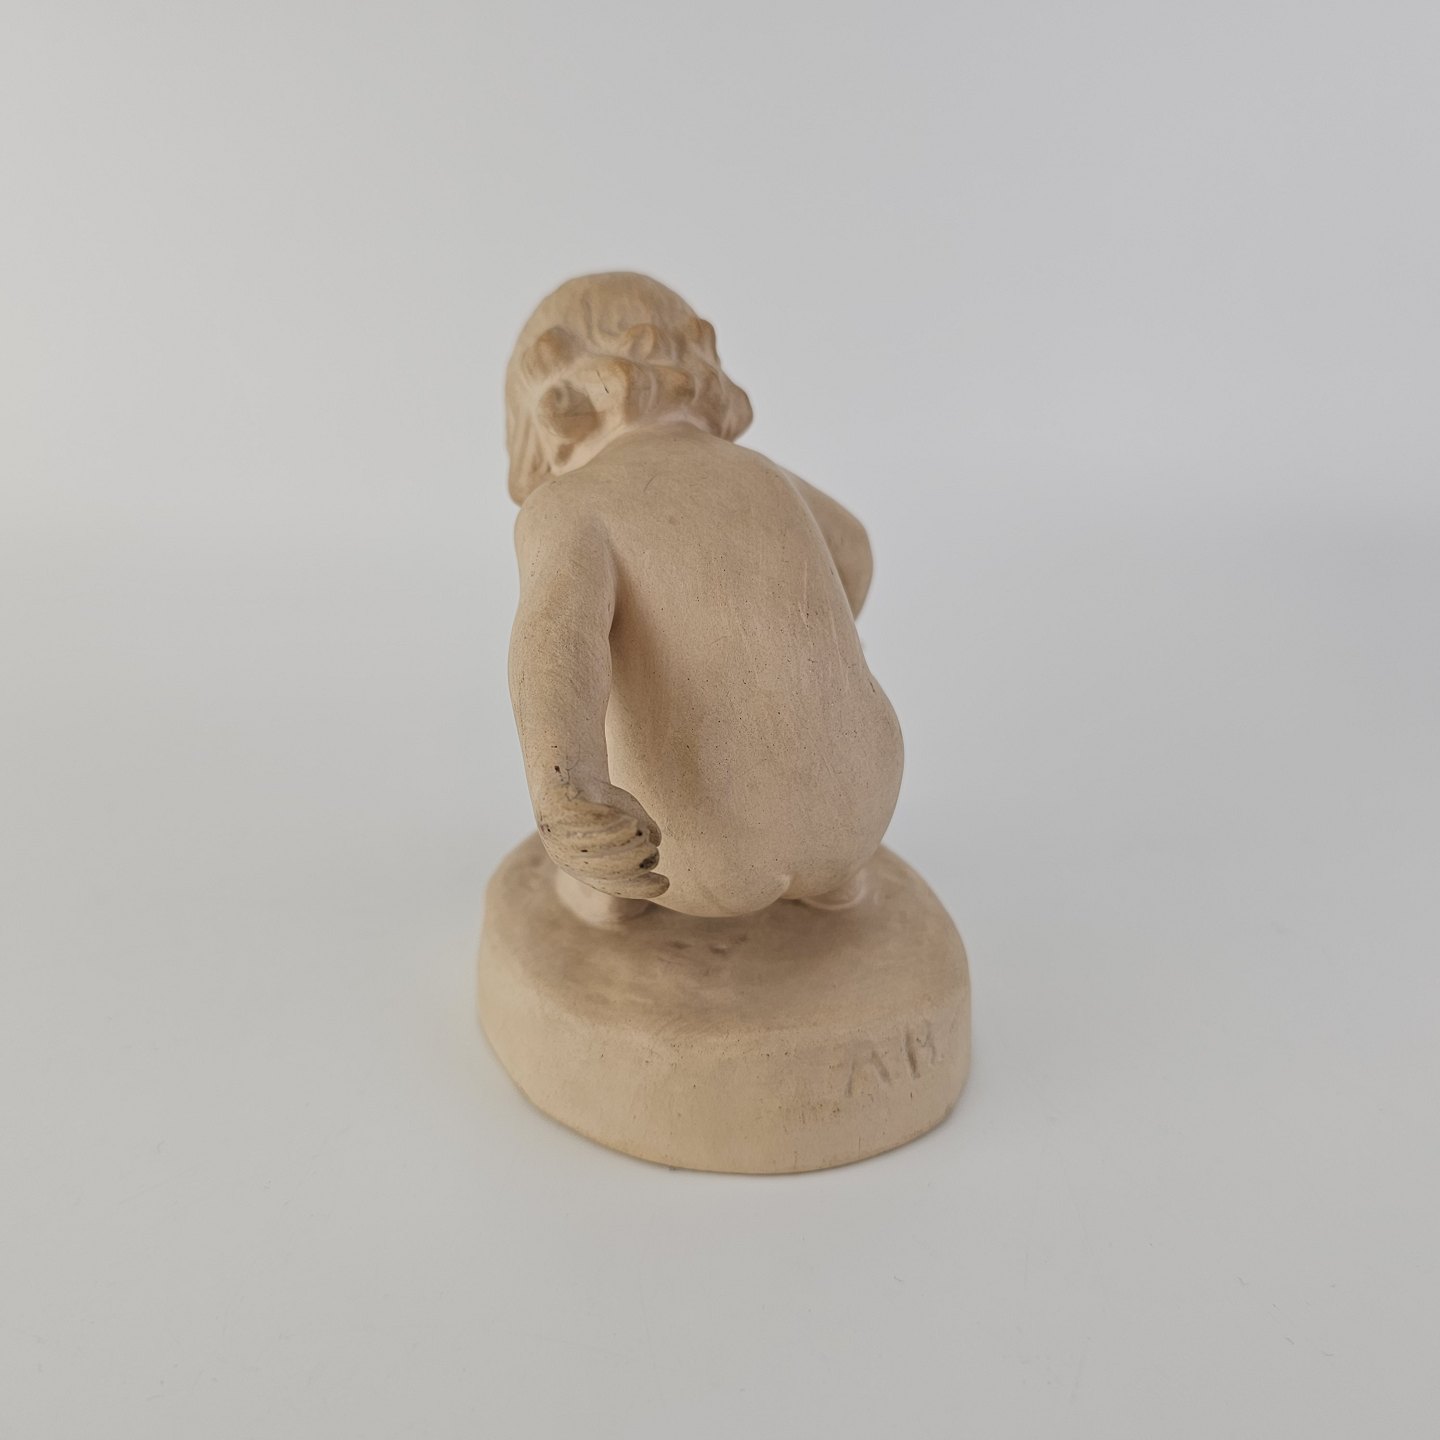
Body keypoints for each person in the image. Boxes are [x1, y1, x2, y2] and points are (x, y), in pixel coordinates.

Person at [505, 273, 903, 922]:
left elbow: (556, 648)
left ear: (546, 414)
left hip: (691, 851)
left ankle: (607, 897)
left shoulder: (567, 505)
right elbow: (852, 550)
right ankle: (835, 882)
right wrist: (812, 659)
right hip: (864, 809)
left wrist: (566, 790)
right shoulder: (766, 473)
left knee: (622, 697)